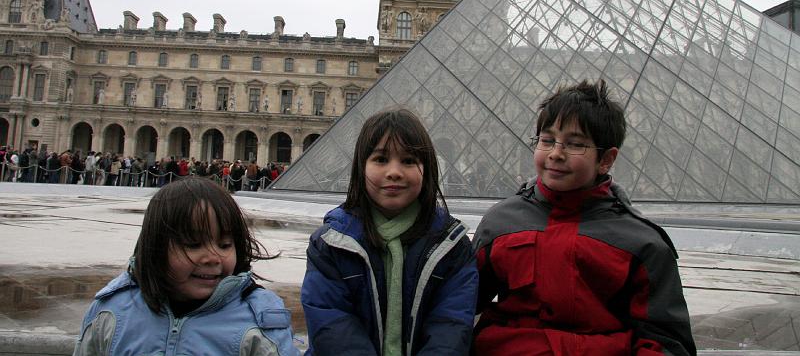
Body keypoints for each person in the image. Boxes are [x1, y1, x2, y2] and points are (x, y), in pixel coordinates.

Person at [472, 80, 696, 356]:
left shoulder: (644, 244)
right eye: (547, 140)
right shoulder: (499, 223)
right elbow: (456, 306)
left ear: (606, 159)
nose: (556, 154)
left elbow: (666, 341)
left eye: (575, 144)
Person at [301, 108, 477, 355]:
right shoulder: (329, 244)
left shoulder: (453, 247)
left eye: (408, 160)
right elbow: (332, 327)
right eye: (381, 159)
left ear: (427, 169)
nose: (394, 171)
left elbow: (451, 327)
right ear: (361, 167)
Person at [73, 177, 299, 355]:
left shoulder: (259, 321)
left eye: (224, 245)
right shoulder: (111, 312)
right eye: (193, 244)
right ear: (155, 247)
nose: (212, 257)